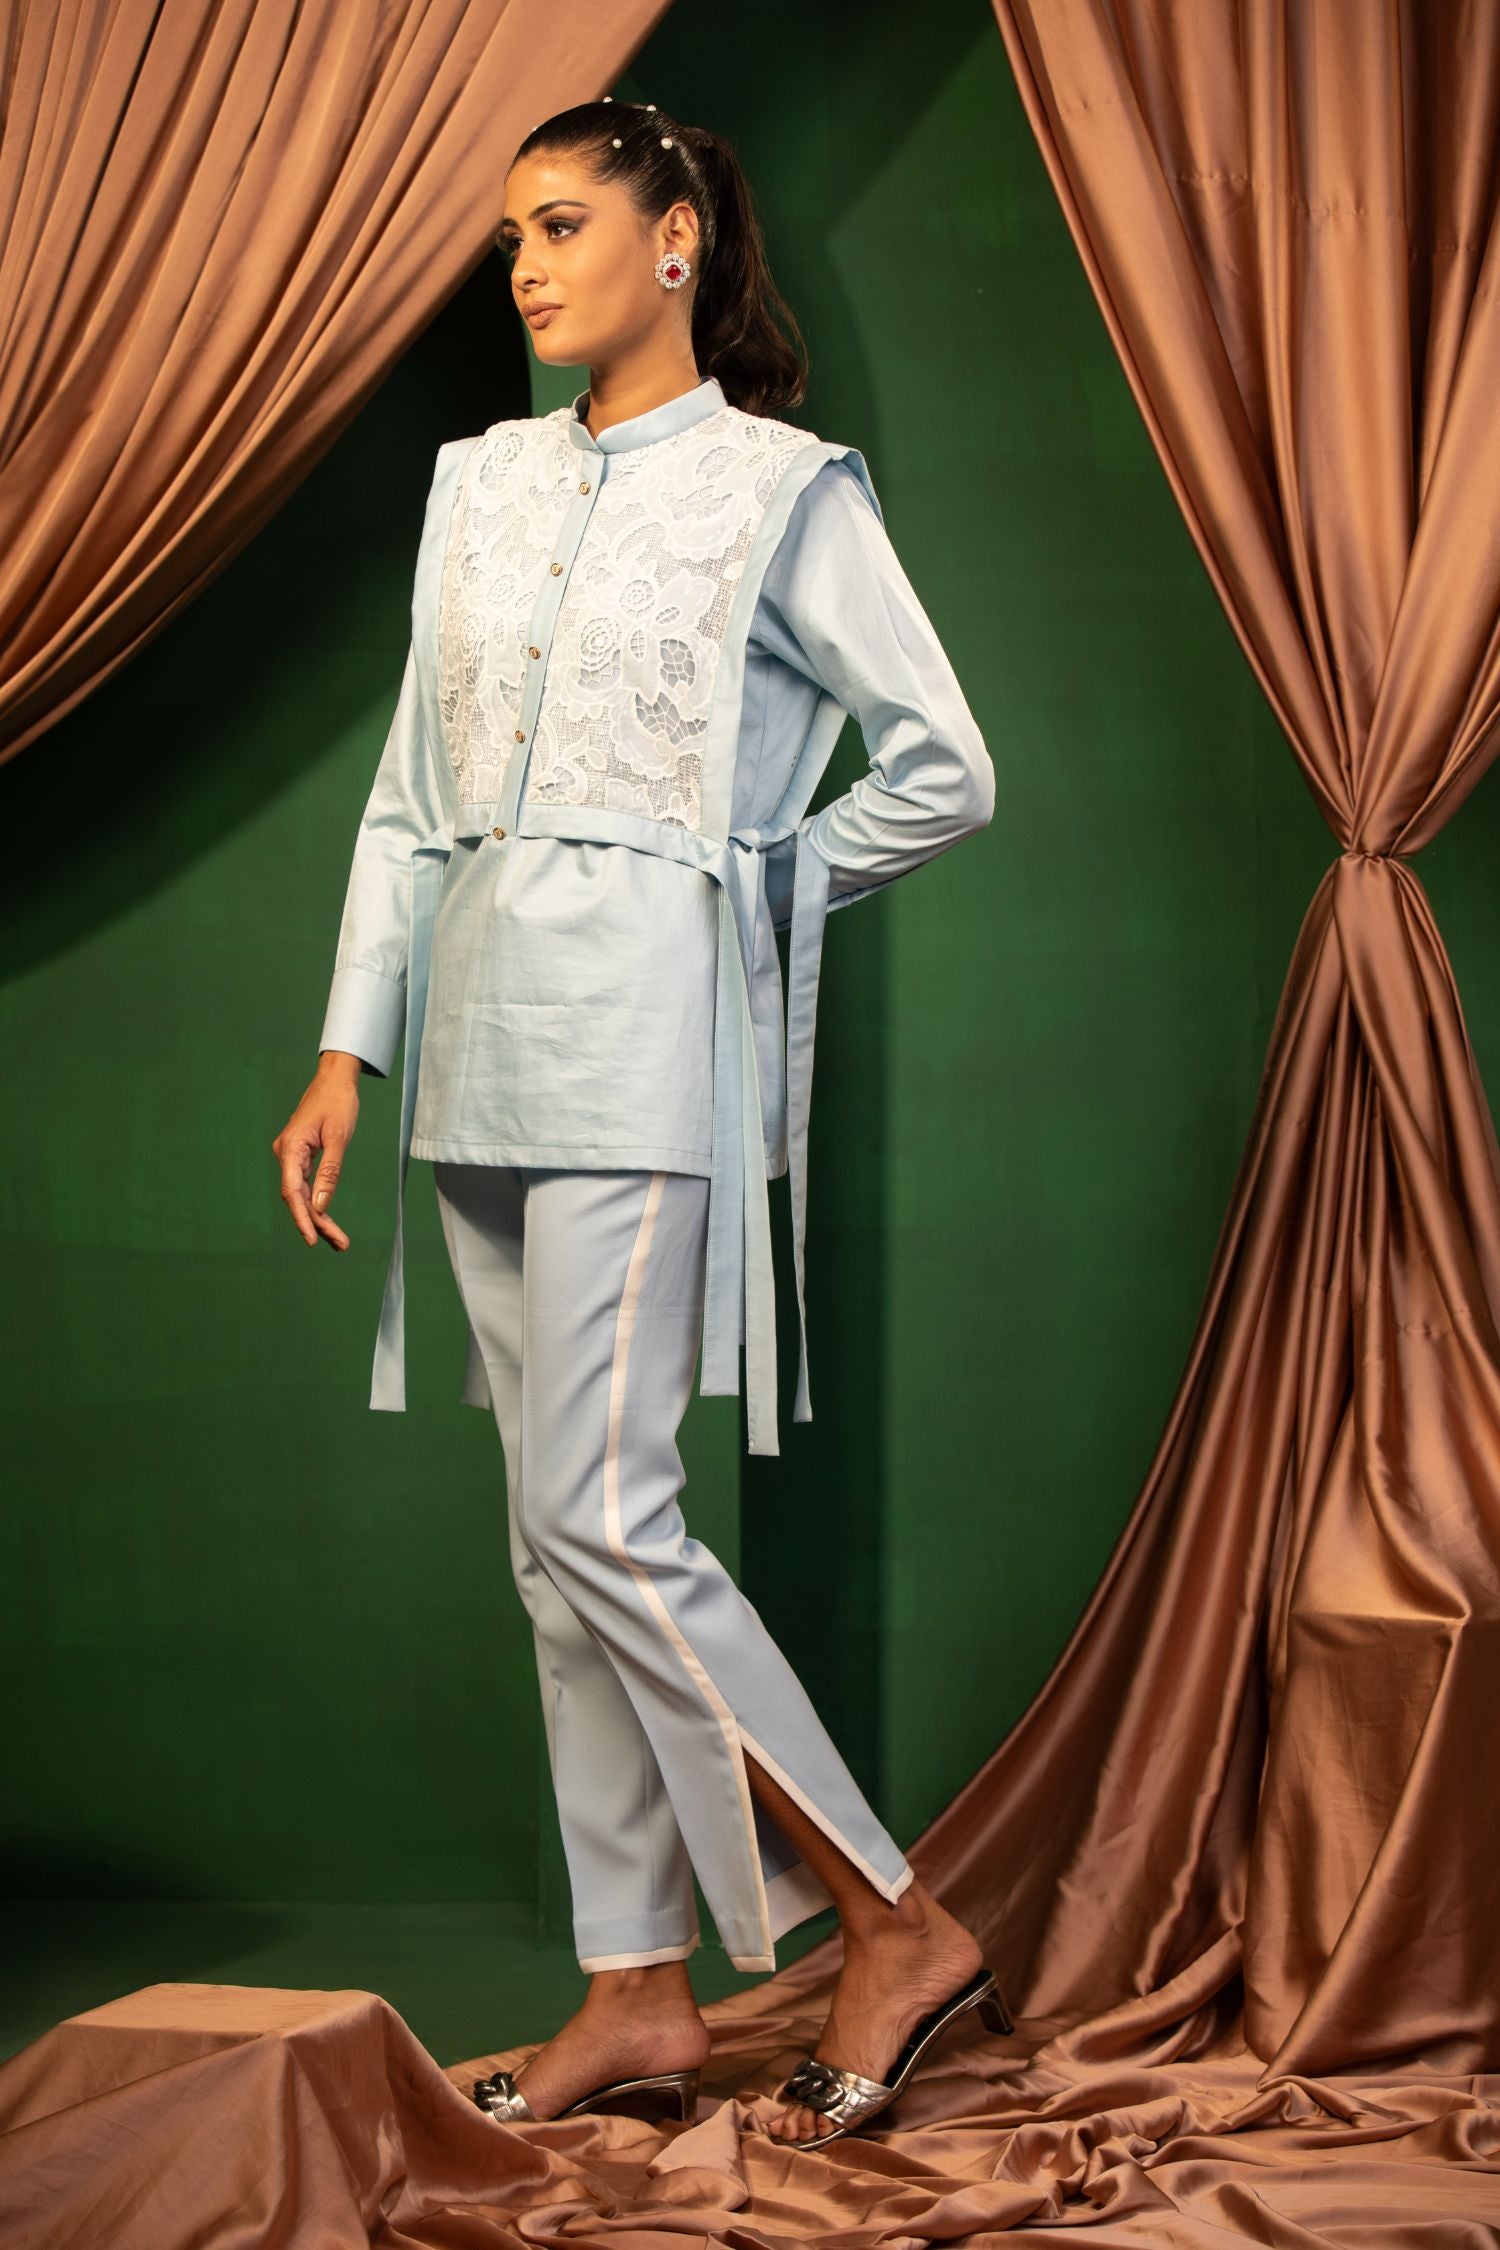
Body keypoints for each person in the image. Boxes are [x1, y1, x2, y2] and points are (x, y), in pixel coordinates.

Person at [271, 96, 1007, 2150]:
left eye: (563, 224)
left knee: (610, 1512)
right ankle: (637, 1994)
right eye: (511, 233)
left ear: (676, 238)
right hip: (477, 1045)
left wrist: (759, 889)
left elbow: (944, 765)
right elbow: (411, 796)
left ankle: (895, 1920)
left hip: (645, 1045)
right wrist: (347, 1049)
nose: (525, 265)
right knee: (550, 1546)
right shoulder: (481, 482)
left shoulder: (781, 490)